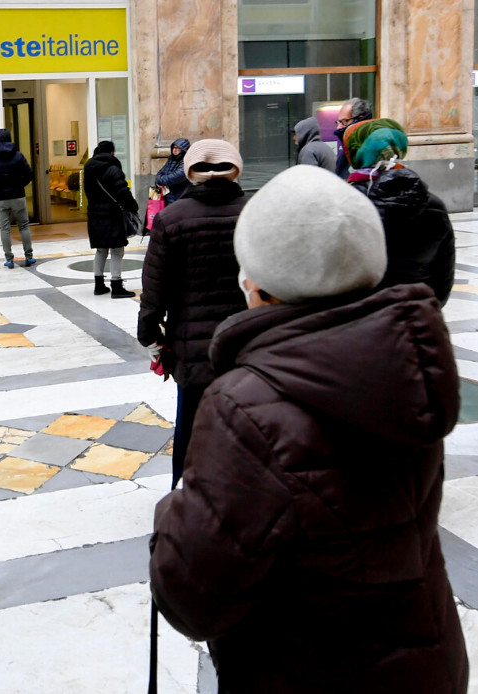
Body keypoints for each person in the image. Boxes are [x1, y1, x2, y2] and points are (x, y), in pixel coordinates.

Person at [150, 165, 467, 694]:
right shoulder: (405, 361)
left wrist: (174, 513)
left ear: (259, 281)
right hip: (423, 658)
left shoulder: (247, 405)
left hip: (306, 669)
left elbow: (195, 598)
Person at [136, 140, 249, 487]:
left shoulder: (171, 218)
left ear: (190, 172)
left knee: (191, 423)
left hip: (192, 344)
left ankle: (186, 496)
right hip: (247, 341)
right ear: (235, 169)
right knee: (244, 424)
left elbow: (154, 286)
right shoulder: (255, 213)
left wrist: (149, 333)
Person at [343, 117, 455, 305]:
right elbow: (442, 279)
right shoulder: (432, 205)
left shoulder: (344, 204)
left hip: (360, 316)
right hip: (413, 313)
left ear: (355, 152)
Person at [84, 140, 140, 298]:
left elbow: (88, 192)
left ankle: (99, 285)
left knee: (101, 249)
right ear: (111, 153)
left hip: (94, 214)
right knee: (117, 249)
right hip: (112, 215)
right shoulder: (113, 169)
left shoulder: (88, 168)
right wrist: (133, 207)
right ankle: (116, 286)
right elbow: (123, 192)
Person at [0, 128, 35, 268]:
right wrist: (20, 185)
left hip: (0, 199)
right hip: (18, 196)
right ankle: (29, 256)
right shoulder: (18, 156)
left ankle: (9, 259)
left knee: (5, 229)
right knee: (23, 226)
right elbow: (29, 174)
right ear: (10, 139)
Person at [333, 97, 372, 179]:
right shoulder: (344, 158)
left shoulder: (372, 152)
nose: (338, 127)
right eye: (338, 122)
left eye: (344, 121)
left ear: (360, 120)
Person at [154, 137, 191, 205]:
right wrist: (158, 179)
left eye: (178, 148)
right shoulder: (171, 159)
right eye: (174, 147)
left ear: (183, 150)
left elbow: (177, 176)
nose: (175, 150)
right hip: (167, 196)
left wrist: (160, 180)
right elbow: (161, 171)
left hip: (178, 197)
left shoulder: (186, 161)